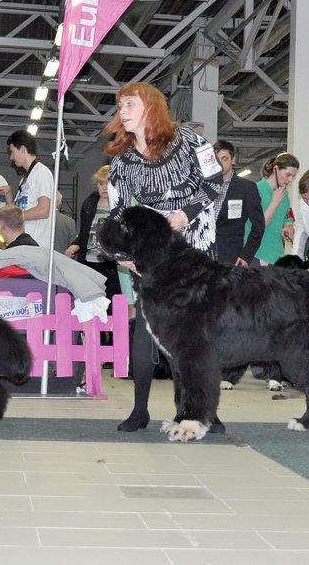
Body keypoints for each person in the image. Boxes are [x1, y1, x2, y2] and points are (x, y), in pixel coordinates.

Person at [103, 81, 223, 433]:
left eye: (129, 104)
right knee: (146, 330)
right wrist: (122, 255)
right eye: (120, 105)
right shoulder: (122, 162)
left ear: (150, 106)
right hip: (154, 257)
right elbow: (117, 215)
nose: (122, 111)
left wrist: (184, 214)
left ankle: (201, 411)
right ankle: (139, 409)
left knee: (197, 339)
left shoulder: (190, 141)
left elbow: (214, 183)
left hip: (197, 248)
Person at [65, 165, 122, 301]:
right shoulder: (89, 204)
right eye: (100, 183)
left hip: (111, 265)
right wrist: (74, 246)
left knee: (110, 303)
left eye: (107, 183)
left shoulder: (120, 206)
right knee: (88, 302)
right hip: (89, 262)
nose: (103, 187)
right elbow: (84, 233)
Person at [0, 130, 54, 250]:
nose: (11, 157)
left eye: (12, 152)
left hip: (36, 245)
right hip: (23, 245)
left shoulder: (41, 172)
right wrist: (9, 194)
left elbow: (43, 210)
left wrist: (15, 218)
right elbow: (16, 211)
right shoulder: (24, 179)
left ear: (22, 149)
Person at [213, 140, 264, 266]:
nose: (220, 163)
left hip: (231, 259)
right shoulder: (202, 187)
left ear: (233, 160)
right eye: (216, 159)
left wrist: (246, 256)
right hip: (203, 258)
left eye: (224, 158)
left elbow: (258, 226)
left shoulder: (246, 188)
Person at [251, 152, 299, 266]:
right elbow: (259, 226)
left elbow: (288, 220)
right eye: (287, 175)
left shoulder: (285, 195)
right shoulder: (255, 191)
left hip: (277, 257)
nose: (290, 179)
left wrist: (289, 228)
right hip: (257, 255)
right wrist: (275, 202)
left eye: (293, 176)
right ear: (276, 169)